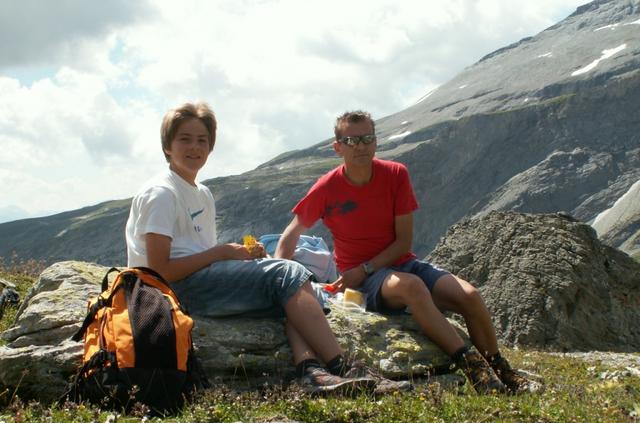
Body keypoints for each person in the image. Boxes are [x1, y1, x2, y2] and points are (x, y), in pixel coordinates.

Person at [275, 110, 542, 394]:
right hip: (366, 282)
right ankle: (476, 371)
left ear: (375, 142)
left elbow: (403, 242)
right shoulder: (328, 187)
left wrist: (365, 268)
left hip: (395, 264)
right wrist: (279, 275)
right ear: (338, 147)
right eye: (351, 141)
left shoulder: (395, 174)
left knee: (470, 296)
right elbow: (292, 232)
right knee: (412, 287)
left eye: (367, 138)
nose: (361, 146)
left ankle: (502, 372)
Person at [125, 101, 377, 395]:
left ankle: (312, 370)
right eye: (185, 139)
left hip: (196, 281)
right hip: (167, 292)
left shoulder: (201, 193)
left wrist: (242, 258)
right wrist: (223, 253)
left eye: (202, 140)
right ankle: (343, 368)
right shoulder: (162, 194)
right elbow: (159, 271)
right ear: (167, 146)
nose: (194, 147)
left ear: (210, 146)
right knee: (287, 274)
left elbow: (198, 255)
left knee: (289, 284)